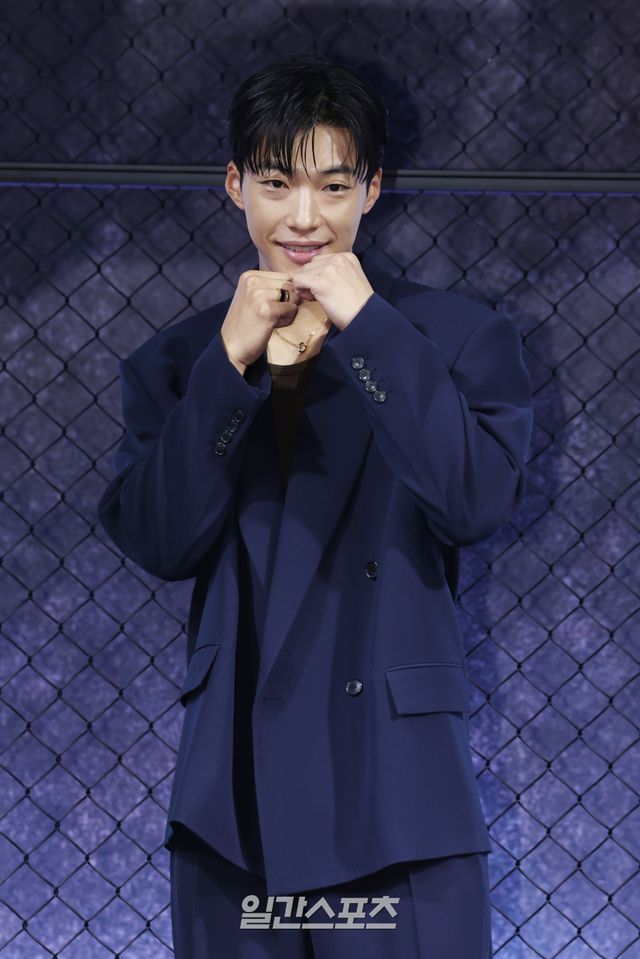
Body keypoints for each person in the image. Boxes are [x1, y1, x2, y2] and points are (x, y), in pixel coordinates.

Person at [97, 54, 533, 958]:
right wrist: (226, 369)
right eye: (276, 183)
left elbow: (473, 501)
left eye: (333, 185)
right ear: (234, 186)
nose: (304, 217)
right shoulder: (182, 361)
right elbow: (160, 537)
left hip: (396, 795)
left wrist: (371, 328)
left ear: (371, 189)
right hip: (232, 805)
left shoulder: (457, 338)